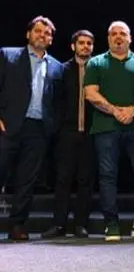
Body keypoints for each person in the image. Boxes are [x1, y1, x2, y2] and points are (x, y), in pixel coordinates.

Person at [84, 21, 134, 241]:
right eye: (114, 34)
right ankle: (111, 225)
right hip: (106, 128)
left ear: (130, 38)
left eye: (123, 34)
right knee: (108, 176)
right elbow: (90, 93)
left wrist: (133, 110)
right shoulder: (96, 63)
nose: (118, 37)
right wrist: (115, 111)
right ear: (108, 38)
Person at [0, 16, 64, 241]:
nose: (42, 36)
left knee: (26, 180)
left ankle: (17, 225)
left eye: (47, 33)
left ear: (51, 40)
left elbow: (58, 101)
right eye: (38, 31)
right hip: (7, 126)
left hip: (38, 129)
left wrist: (52, 125)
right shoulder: (7, 55)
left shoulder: (57, 66)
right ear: (28, 34)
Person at [42, 30, 97, 239]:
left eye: (89, 43)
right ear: (73, 46)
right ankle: (59, 224)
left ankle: (81, 224)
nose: (85, 46)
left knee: (86, 180)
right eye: (81, 43)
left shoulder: (98, 69)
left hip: (90, 132)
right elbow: (53, 100)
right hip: (66, 132)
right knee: (63, 179)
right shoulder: (61, 69)